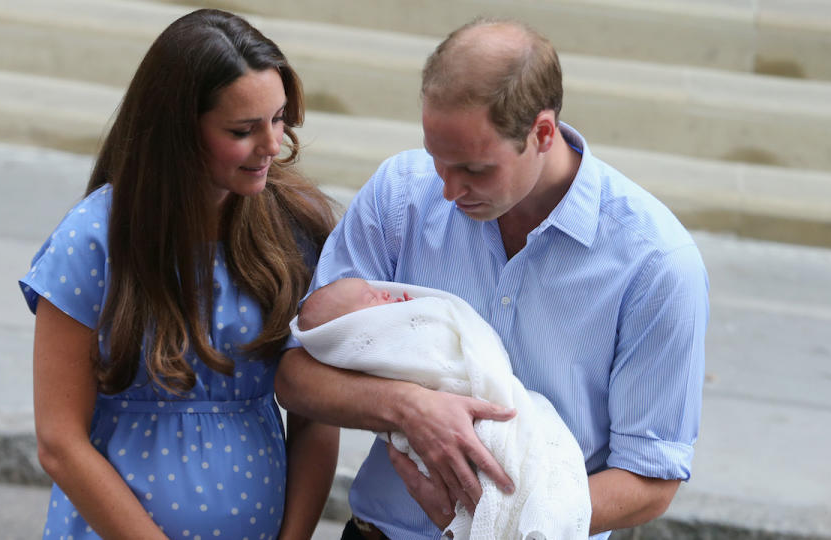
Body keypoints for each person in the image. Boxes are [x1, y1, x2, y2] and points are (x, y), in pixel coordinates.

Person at [275, 16, 709, 540]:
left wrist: (498, 519)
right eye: (439, 160)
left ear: (542, 133)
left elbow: (651, 476)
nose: (449, 191)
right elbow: (297, 375)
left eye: (476, 170)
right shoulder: (399, 194)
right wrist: (409, 409)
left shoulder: (656, 261)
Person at [18, 9, 339, 540]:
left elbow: (316, 417)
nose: (273, 145)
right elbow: (59, 443)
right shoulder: (94, 240)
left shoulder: (295, 231)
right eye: (243, 129)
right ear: (178, 132)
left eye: (280, 118)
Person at [292, 278, 591, 539]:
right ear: (350, 331)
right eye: (370, 298)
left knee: (525, 448)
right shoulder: (369, 347)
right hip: (377, 531)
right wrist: (408, 405)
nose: (384, 294)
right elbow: (292, 375)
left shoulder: (634, 252)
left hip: (505, 408)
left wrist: (527, 511)